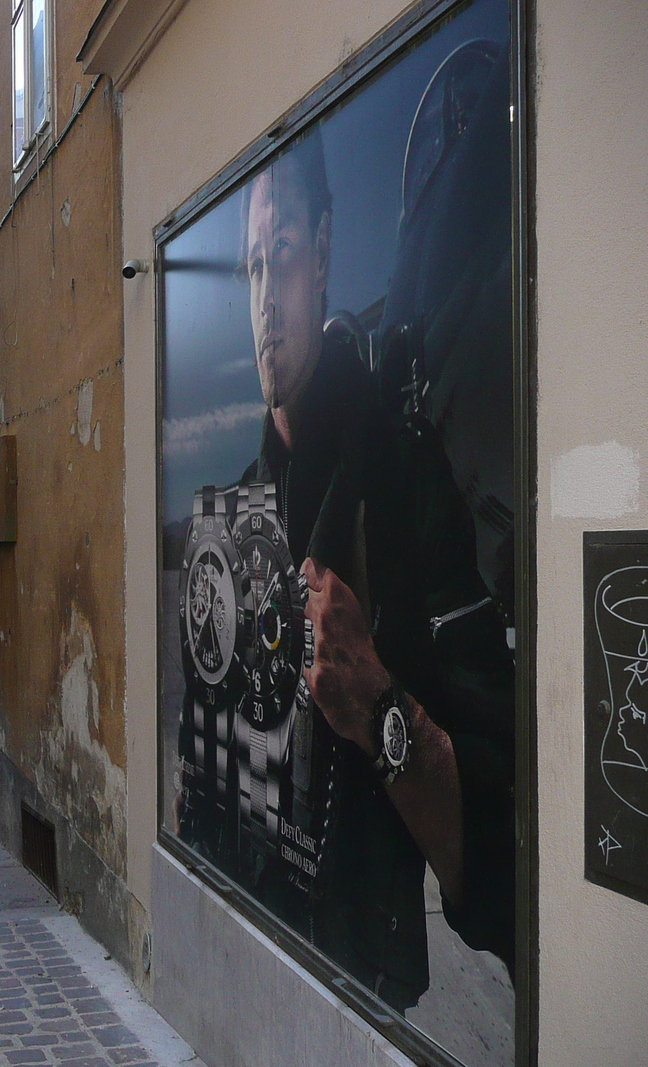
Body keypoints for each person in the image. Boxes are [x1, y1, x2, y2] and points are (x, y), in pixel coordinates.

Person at [234, 129, 514, 1007]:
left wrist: (381, 706)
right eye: (249, 270)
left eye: (280, 257)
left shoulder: (400, 468)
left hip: (363, 984)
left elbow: (504, 868)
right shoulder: (241, 501)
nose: (265, 301)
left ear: (321, 254)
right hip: (255, 942)